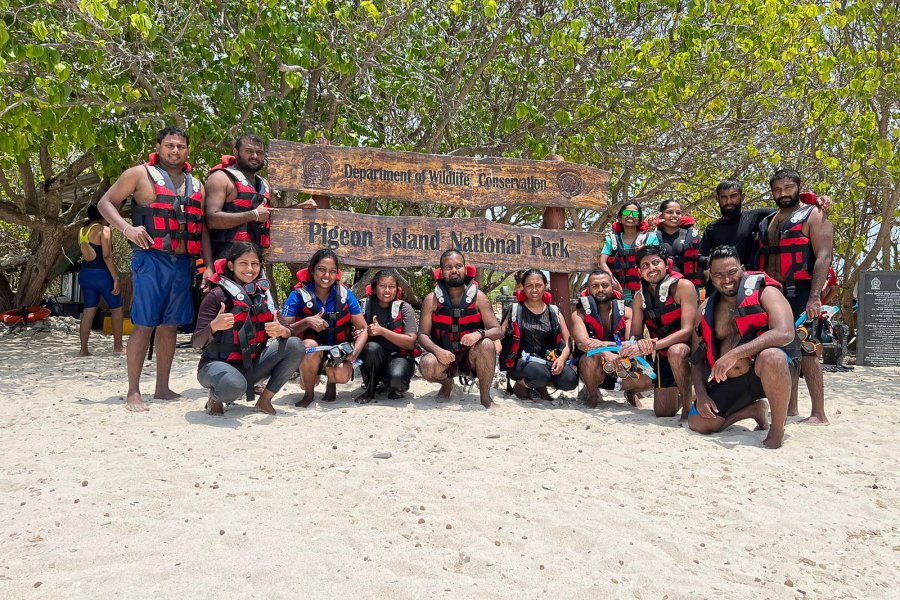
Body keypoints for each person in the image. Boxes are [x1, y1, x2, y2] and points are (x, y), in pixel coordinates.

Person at [98, 126, 211, 412]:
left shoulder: (197, 184)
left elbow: (203, 229)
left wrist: (209, 266)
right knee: (144, 323)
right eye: (170, 145)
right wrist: (127, 228)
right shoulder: (139, 174)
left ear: (187, 150)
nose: (175, 151)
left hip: (183, 263)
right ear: (158, 147)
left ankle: (162, 388)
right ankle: (133, 391)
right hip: (151, 259)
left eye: (181, 146)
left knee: (170, 325)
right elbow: (105, 203)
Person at [688, 245, 798, 449]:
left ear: (743, 269)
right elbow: (696, 359)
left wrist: (735, 354)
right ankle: (753, 410)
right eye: (719, 275)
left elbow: (785, 332)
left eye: (732, 272)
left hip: (767, 373)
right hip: (732, 382)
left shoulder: (766, 292)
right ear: (710, 276)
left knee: (772, 356)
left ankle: (777, 430)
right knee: (698, 422)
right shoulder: (705, 309)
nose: (726, 279)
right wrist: (701, 395)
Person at [755, 168, 833, 425]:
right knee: (782, 348)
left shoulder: (814, 214)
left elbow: (824, 256)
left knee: (808, 349)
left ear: (799, 187)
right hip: (774, 292)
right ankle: (790, 407)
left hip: (802, 290)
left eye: (788, 188)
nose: (783, 193)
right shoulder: (769, 219)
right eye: (777, 189)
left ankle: (819, 413)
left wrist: (815, 297)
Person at [191, 243, 303, 415]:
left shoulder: (264, 296)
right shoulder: (216, 296)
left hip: (250, 366)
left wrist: (282, 330)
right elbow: (196, 342)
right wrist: (213, 326)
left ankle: (264, 401)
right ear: (231, 265)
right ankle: (215, 397)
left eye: (255, 264)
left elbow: (290, 331)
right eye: (243, 263)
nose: (250, 269)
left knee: (295, 345)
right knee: (234, 385)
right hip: (215, 366)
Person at [699, 179, 823, 295]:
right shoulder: (711, 228)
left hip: (748, 287)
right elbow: (701, 256)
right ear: (717, 198)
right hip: (720, 288)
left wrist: (815, 200)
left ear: (742, 197)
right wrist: (717, 262)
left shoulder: (757, 217)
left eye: (733, 196)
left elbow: (788, 208)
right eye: (724, 197)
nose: (729, 201)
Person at [282, 249, 368, 407]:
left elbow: (363, 328)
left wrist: (354, 354)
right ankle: (309, 393)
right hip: (310, 351)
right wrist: (307, 322)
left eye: (332, 271)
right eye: (321, 269)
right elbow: (284, 330)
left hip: (338, 350)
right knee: (309, 346)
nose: (327, 275)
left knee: (342, 374)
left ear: (337, 273)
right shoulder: (298, 295)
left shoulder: (345, 294)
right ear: (312, 270)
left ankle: (331, 382)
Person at [418, 250, 501, 409]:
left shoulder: (479, 297)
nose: (454, 270)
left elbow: (497, 330)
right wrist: (437, 351)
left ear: (466, 269)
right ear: (441, 272)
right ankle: (447, 384)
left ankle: (485, 397)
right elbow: (422, 335)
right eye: (448, 267)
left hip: (471, 357)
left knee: (487, 345)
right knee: (427, 364)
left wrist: (479, 334)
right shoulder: (431, 300)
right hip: (444, 357)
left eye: (458, 266)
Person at [624, 245, 698, 420]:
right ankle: (690, 394)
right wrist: (637, 344)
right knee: (663, 412)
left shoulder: (684, 286)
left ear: (667, 264)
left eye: (656, 263)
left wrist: (652, 345)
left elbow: (687, 331)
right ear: (639, 271)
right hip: (662, 352)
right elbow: (635, 333)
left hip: (689, 351)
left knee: (676, 351)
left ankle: (688, 407)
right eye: (645, 265)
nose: (651, 268)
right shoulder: (639, 297)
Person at [570, 270, 653, 408]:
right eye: (595, 286)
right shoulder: (579, 314)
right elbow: (582, 343)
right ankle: (592, 395)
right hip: (594, 370)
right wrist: (604, 353)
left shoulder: (627, 313)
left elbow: (631, 342)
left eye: (605, 285)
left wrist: (603, 344)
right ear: (588, 289)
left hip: (622, 364)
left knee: (652, 376)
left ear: (612, 287)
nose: (600, 289)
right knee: (590, 356)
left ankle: (631, 392)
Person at [498, 269, 577, 401]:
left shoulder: (554, 311)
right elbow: (499, 334)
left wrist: (562, 359)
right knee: (540, 374)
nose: (534, 290)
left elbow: (568, 342)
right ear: (523, 287)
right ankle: (521, 384)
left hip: (549, 360)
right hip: (521, 362)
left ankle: (540, 386)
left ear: (545, 286)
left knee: (570, 380)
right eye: (529, 286)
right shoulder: (515, 310)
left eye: (538, 285)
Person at [355, 269, 417, 403]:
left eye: (392, 286)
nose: (387, 290)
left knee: (397, 381)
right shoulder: (364, 306)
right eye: (382, 286)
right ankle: (370, 390)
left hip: (399, 356)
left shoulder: (405, 308)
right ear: (374, 288)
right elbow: (354, 332)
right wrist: (357, 333)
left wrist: (382, 331)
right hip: (374, 357)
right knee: (371, 347)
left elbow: (410, 342)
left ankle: (390, 384)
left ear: (397, 289)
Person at [77, 204, 124, 357]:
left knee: (88, 311)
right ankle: (118, 347)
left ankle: (83, 350)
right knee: (117, 309)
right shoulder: (104, 230)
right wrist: (115, 277)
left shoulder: (82, 231)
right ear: (103, 215)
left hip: (85, 274)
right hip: (102, 275)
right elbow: (107, 256)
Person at [598, 202, 659, 304]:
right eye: (626, 213)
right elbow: (602, 263)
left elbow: (658, 262)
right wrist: (612, 281)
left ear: (639, 220)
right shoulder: (611, 240)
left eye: (635, 214)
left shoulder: (650, 238)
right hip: (617, 296)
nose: (630, 216)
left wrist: (645, 251)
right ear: (620, 218)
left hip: (644, 295)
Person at [654, 200, 702, 287]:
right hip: (661, 288)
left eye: (678, 213)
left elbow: (705, 262)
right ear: (661, 215)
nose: (675, 215)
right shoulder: (653, 238)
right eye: (670, 212)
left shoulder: (693, 236)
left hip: (689, 287)